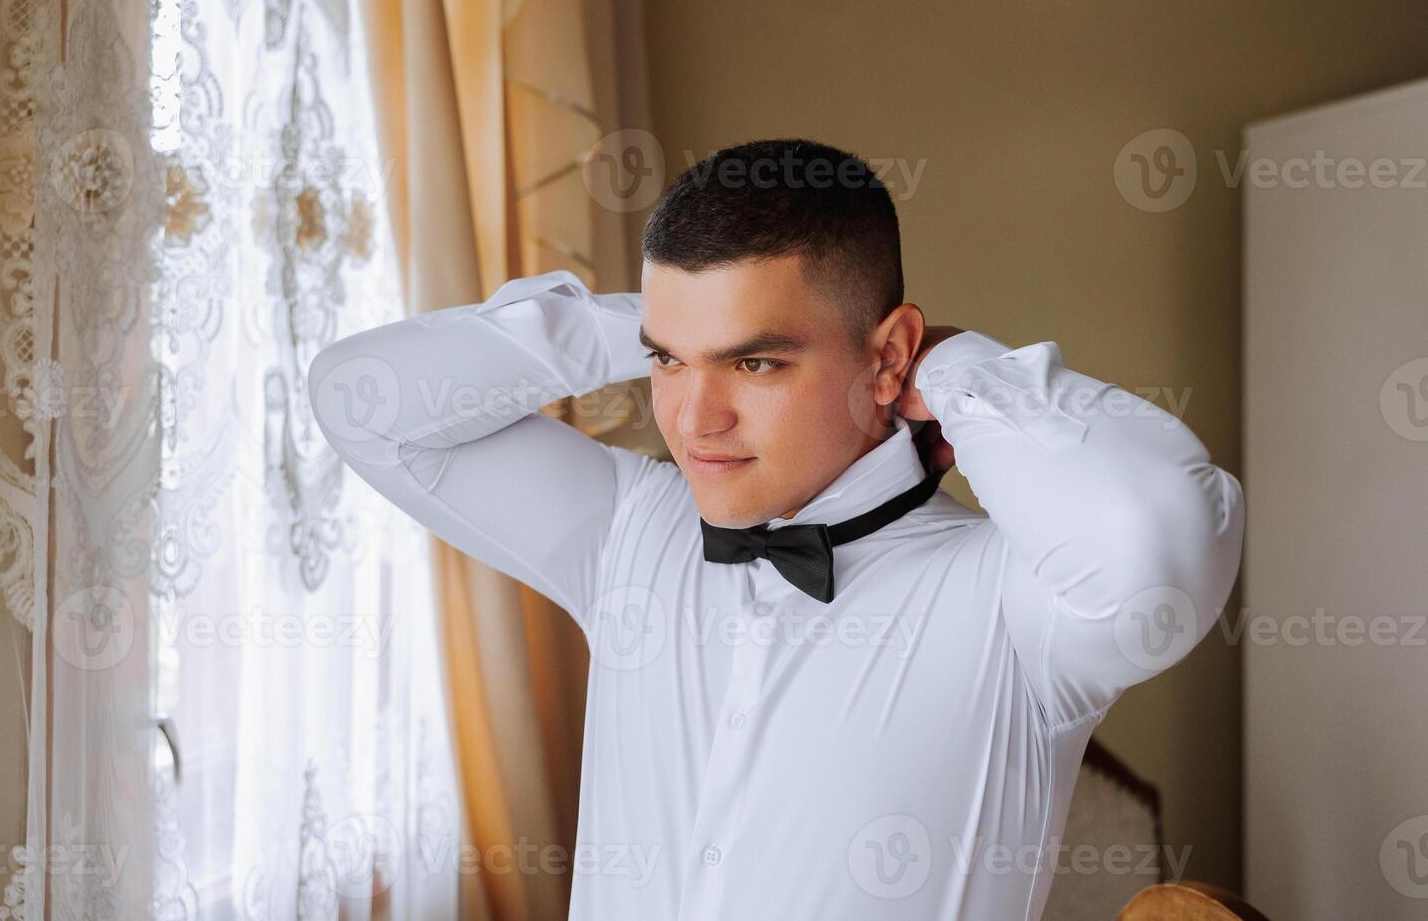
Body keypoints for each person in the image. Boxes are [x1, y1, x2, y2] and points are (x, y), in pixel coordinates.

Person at [307, 138, 1245, 920]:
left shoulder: (1019, 605)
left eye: (754, 363)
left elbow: (1159, 530)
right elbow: (362, 400)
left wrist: (956, 372)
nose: (691, 420)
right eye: (668, 364)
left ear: (887, 355)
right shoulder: (632, 528)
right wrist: (646, 321)